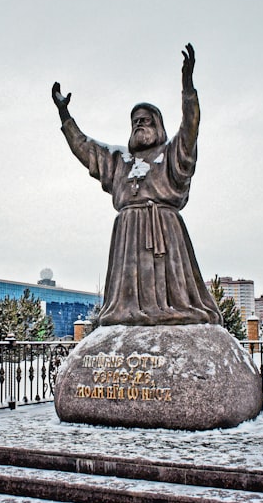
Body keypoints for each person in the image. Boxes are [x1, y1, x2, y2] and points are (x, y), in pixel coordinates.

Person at [51, 44, 220, 326]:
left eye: (145, 120)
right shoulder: (120, 160)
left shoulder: (171, 153)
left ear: (157, 125)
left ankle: (173, 308)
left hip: (164, 229)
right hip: (128, 233)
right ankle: (128, 315)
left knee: (175, 295)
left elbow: (191, 128)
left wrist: (187, 89)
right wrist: (65, 117)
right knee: (125, 302)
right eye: (135, 122)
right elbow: (85, 149)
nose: (139, 125)